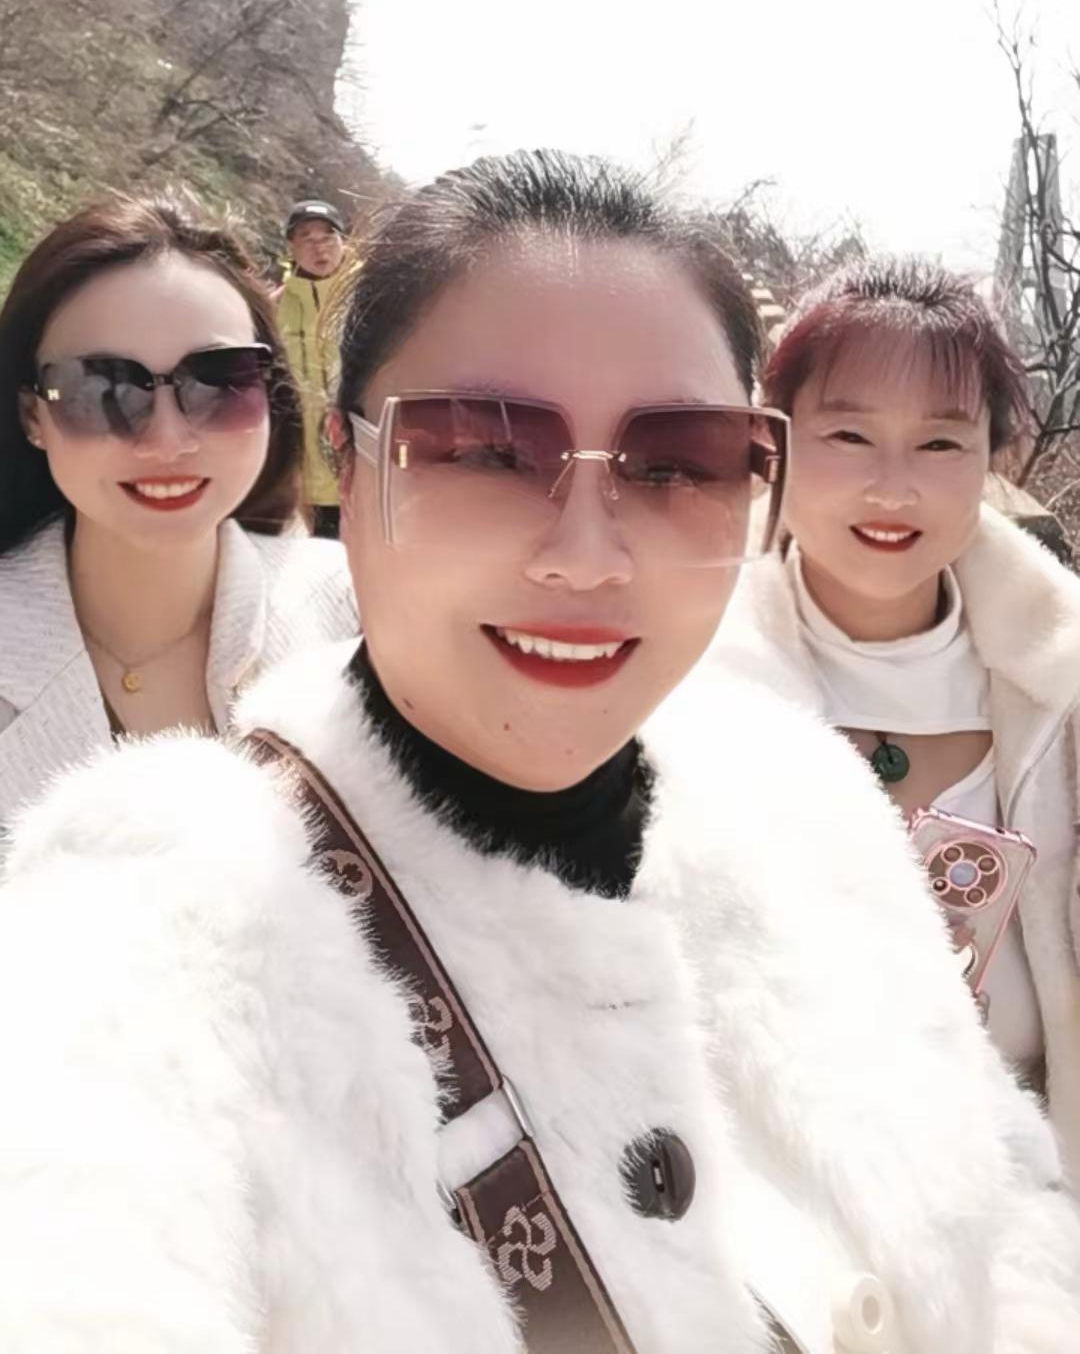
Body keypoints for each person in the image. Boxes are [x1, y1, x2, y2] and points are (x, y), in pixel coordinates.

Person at [0, 156, 1077, 1354]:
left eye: (678, 463)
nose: (586, 555)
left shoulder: (801, 794)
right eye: (484, 452)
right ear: (348, 466)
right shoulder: (143, 919)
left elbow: (1013, 1201)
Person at [723, 255, 1080, 1181]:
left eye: (940, 445)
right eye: (849, 435)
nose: (892, 489)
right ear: (775, 442)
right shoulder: (689, 690)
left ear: (992, 459)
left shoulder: (1060, 694)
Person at [0, 194, 358, 828]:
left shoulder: (355, 612)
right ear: (33, 416)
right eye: (102, 388)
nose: (167, 441)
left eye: (219, 381)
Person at [277, 197, 349, 538]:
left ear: (343, 240)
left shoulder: (373, 294)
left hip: (366, 468)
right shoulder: (276, 305)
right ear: (291, 248)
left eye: (327, 236)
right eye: (306, 238)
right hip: (307, 478)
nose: (318, 247)